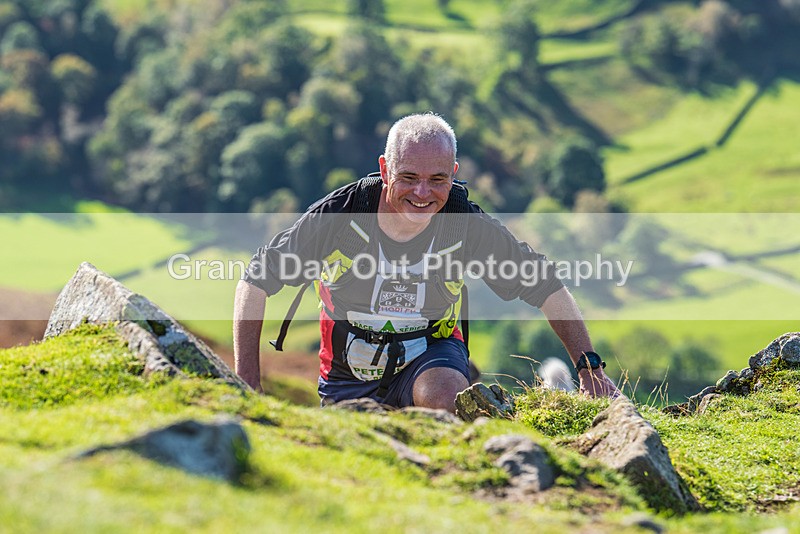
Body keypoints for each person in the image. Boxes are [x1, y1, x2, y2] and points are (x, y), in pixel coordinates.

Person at [233, 113, 619, 412]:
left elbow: (546, 286)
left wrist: (590, 369)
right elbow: (254, 283)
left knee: (445, 397)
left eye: (437, 179)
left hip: (432, 355)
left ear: (453, 174)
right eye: (408, 177)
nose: (422, 193)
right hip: (346, 373)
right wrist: (246, 381)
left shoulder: (464, 224)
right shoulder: (340, 217)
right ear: (385, 170)